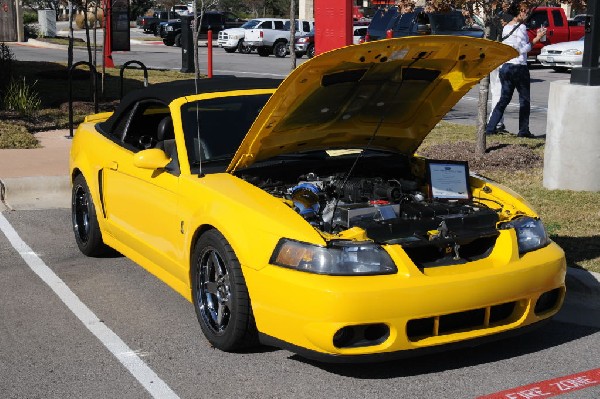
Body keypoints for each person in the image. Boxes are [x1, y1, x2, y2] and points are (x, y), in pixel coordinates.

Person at [486, 3, 546, 138]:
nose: (526, 14)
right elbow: (522, 50)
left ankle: (490, 127)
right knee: (524, 100)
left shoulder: (506, 28)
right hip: (519, 67)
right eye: (524, 12)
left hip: (506, 67)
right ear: (518, 13)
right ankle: (523, 131)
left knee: (504, 99)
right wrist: (537, 38)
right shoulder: (521, 28)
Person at [488, 0, 513, 133]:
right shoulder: (508, 20)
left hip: (493, 58)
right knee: (499, 92)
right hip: (501, 59)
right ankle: (495, 123)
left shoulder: (492, 19)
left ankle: (496, 122)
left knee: (496, 91)